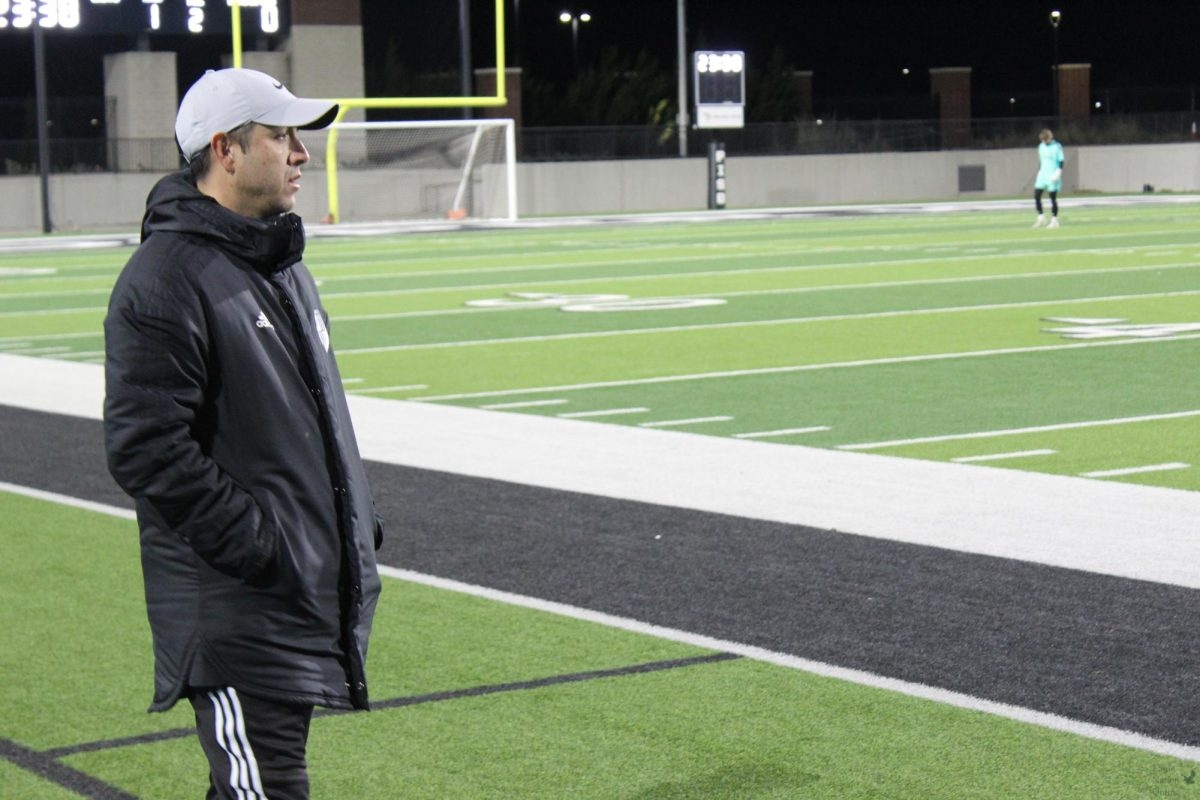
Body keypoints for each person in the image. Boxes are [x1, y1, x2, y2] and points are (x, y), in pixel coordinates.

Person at [103, 68, 383, 800]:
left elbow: (299, 427)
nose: (302, 153)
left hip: (286, 601)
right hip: (238, 612)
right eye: (282, 135)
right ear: (226, 150)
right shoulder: (165, 277)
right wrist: (265, 545)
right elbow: (146, 447)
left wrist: (344, 522)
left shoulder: (278, 264)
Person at [1033, 128, 1064, 228]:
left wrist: (1058, 172)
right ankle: (1041, 217)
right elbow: (1041, 161)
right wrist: (1039, 171)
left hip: (1052, 174)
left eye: (1045, 139)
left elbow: (1061, 160)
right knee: (1037, 195)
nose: (1044, 142)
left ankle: (1055, 219)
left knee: (1052, 198)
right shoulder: (1041, 146)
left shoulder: (1057, 146)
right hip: (1043, 174)